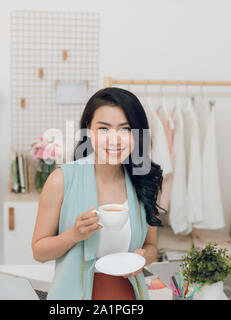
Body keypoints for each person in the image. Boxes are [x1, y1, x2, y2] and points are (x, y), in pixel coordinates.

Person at [32, 87, 166, 300]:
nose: (115, 140)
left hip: (129, 295)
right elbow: (39, 252)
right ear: (88, 130)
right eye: (103, 129)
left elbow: (151, 246)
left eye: (125, 129)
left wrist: (142, 257)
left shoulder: (146, 181)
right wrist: (74, 234)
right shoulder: (62, 180)